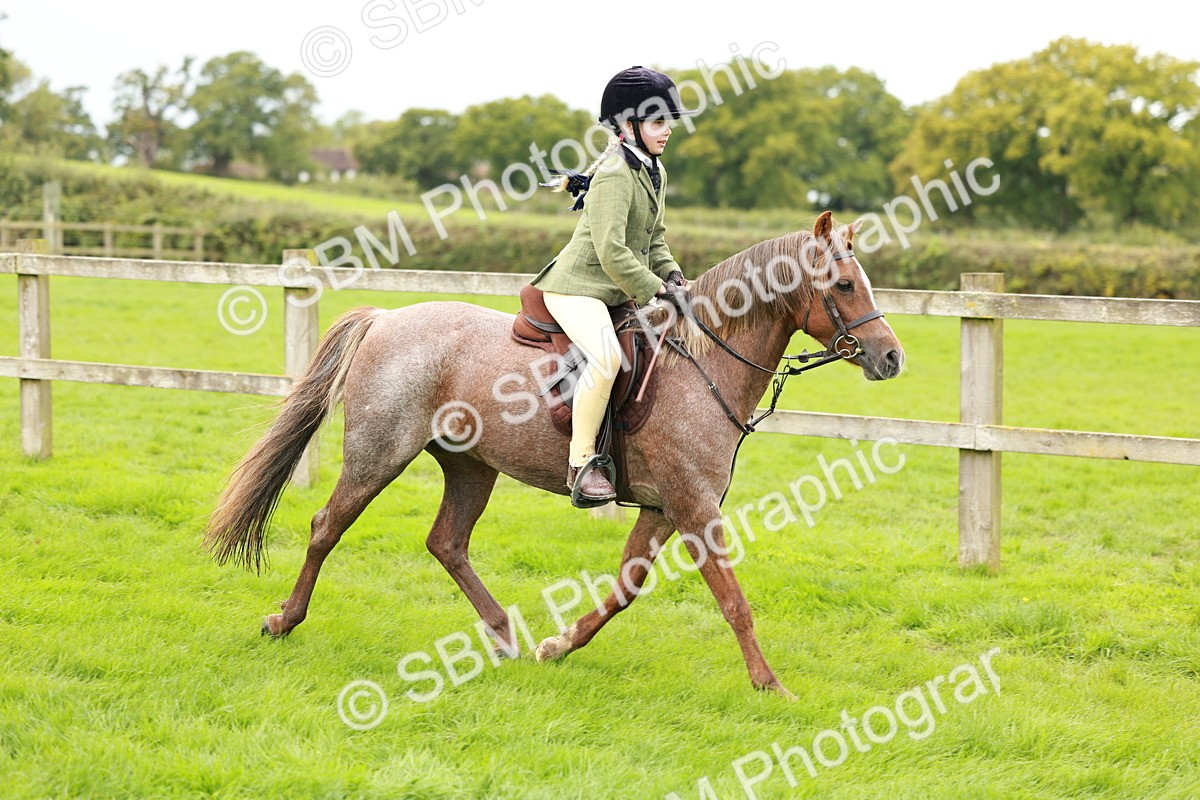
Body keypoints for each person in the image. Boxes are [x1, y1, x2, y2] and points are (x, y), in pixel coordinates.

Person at [530, 65, 696, 505]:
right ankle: (581, 462)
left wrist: (673, 275)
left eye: (669, 121)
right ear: (629, 125)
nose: (667, 130)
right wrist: (657, 289)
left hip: (615, 289)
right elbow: (611, 251)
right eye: (658, 122)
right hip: (577, 287)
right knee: (606, 357)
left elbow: (654, 240)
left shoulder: (654, 170)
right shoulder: (615, 174)